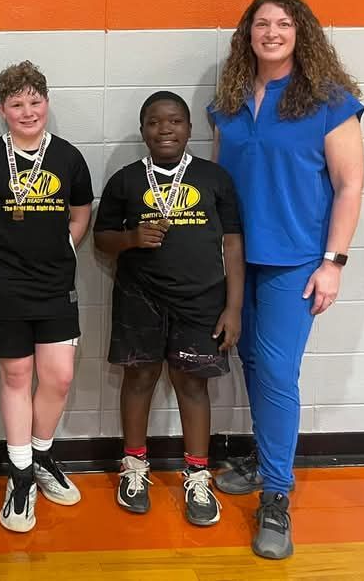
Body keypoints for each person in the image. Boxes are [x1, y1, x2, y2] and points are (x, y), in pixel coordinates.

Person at [209, 0, 364, 560]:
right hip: (236, 258)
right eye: (260, 23)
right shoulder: (227, 100)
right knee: (250, 360)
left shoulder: (328, 100)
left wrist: (333, 262)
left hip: (296, 259)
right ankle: (264, 459)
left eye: (283, 23)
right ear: (246, 34)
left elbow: (350, 185)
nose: (271, 32)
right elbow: (221, 182)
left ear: (302, 33)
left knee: (276, 372)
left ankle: (276, 495)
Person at [94, 91, 244, 527]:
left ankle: (197, 474)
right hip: (140, 298)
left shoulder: (215, 178)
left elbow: (233, 244)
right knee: (139, 378)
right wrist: (131, 239)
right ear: (143, 130)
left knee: (193, 385)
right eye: (155, 122)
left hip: (202, 300)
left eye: (175, 121)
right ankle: (135, 467)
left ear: (190, 129)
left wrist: (233, 307)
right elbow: (102, 239)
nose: (165, 129)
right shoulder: (125, 180)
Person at [0, 61, 94, 533]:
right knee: (16, 375)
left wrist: (64, 246)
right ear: (2, 110)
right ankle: (19, 477)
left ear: (47, 103)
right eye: (16, 103)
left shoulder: (68, 157)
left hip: (56, 286)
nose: (27, 110)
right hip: (4, 287)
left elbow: (81, 213)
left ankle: (41, 456)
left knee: (57, 377)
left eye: (35, 101)